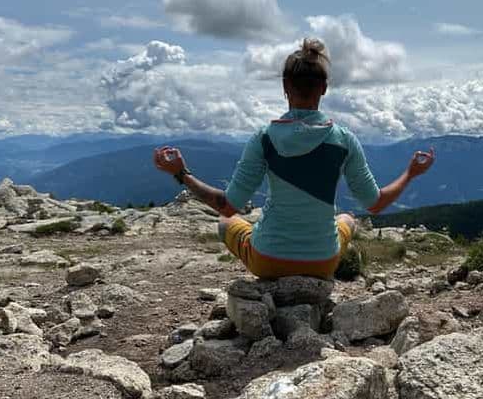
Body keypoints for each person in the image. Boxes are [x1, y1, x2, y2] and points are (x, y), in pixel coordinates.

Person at [153, 38, 434, 279]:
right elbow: (375, 203)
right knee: (348, 218)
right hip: (323, 262)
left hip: (267, 260)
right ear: (324, 88)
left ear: (285, 86)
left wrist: (182, 173)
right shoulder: (345, 139)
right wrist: (410, 173)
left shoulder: (264, 138)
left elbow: (228, 206)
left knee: (227, 224)